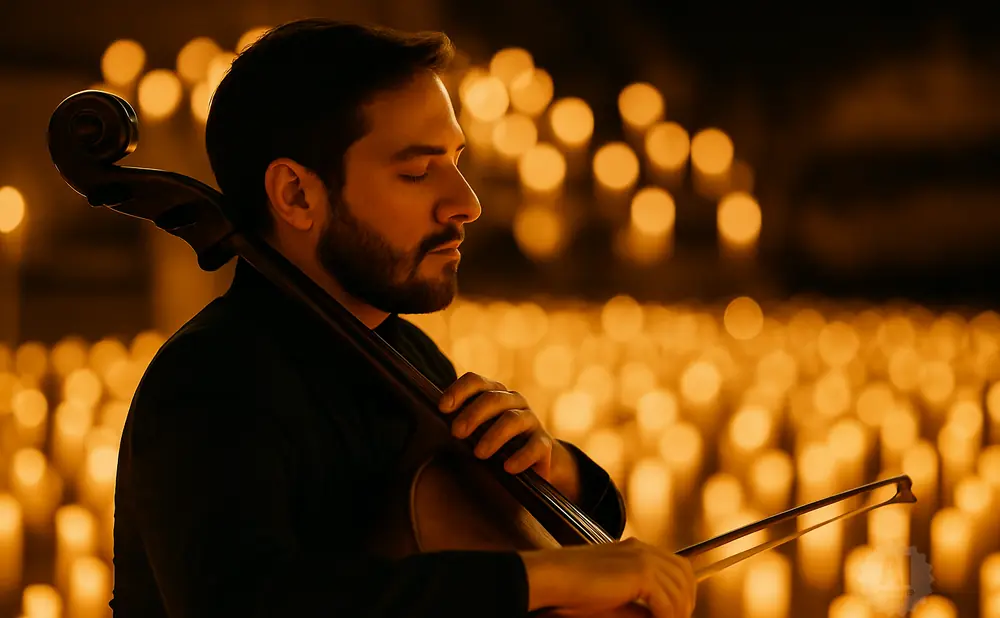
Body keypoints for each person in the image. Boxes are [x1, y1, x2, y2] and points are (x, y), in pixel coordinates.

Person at [110, 18, 697, 618]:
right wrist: (536, 581)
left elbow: (507, 540)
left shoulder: (407, 356)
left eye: (456, 160)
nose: (466, 203)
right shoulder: (211, 380)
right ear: (296, 196)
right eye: (417, 172)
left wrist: (555, 472)